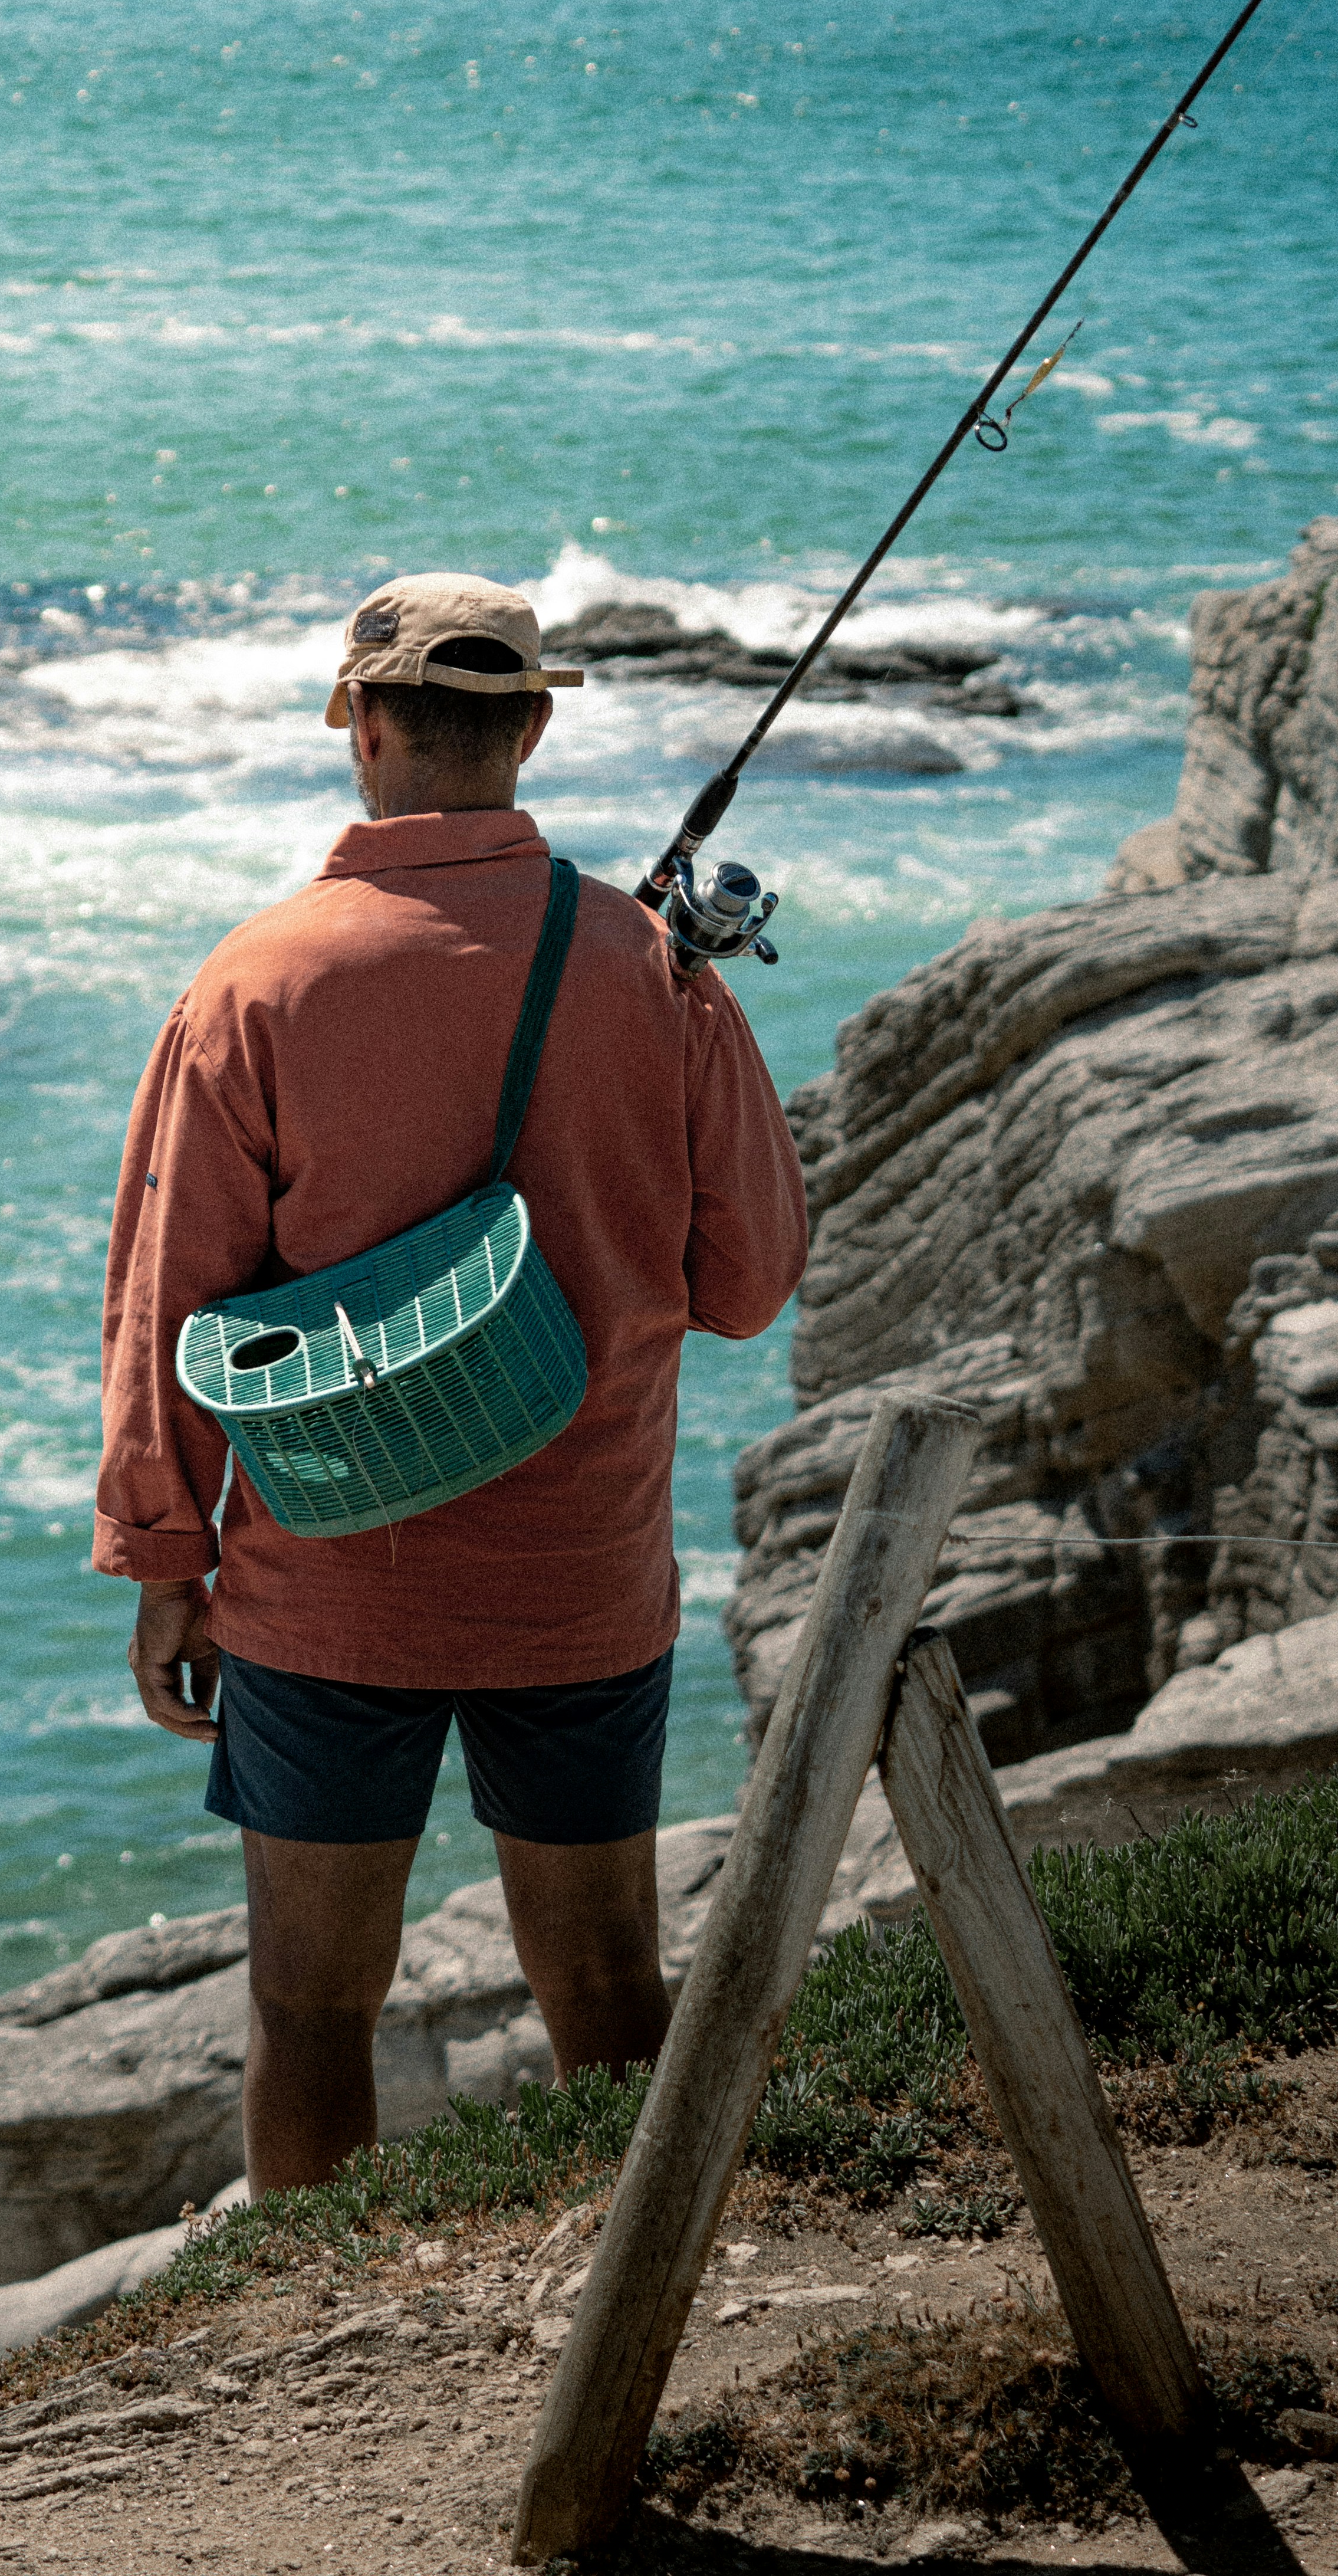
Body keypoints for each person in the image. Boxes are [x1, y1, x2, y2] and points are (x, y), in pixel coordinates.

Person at [93, 570, 807, 2191]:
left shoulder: (253, 986)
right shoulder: (646, 965)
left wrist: (163, 1557)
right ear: (533, 727)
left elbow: (168, 1303)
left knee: (311, 2005)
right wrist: (697, 1006)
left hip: (330, 1582)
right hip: (583, 1579)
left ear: (359, 725)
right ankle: (636, 2308)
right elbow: (751, 1283)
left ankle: (299, 2355)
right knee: (613, 1993)